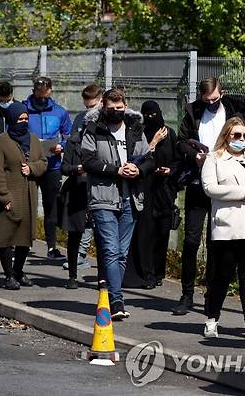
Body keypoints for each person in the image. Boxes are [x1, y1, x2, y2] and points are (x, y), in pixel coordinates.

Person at [173, 77, 245, 316]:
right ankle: (186, 293)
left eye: (215, 99)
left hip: (223, 185)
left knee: (216, 242)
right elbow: (182, 141)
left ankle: (211, 295)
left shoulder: (233, 111)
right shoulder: (194, 112)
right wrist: (193, 155)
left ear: (222, 93)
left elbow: (243, 139)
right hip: (198, 182)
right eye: (207, 100)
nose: (212, 103)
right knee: (191, 241)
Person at [81, 88, 154, 320]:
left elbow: (148, 158)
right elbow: (88, 160)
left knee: (122, 252)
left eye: (119, 108)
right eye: (111, 109)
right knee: (110, 250)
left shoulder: (135, 128)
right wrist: (115, 170)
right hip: (103, 196)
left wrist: (137, 169)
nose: (116, 112)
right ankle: (116, 299)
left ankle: (112, 291)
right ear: (103, 106)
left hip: (131, 197)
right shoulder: (93, 128)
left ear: (126, 105)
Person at [200, 117, 245, 340]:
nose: (241, 140)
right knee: (222, 275)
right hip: (227, 227)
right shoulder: (215, 158)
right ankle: (212, 319)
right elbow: (210, 188)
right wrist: (241, 192)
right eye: (236, 135)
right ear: (226, 136)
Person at [0, 103, 47, 289]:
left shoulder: (33, 139)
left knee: (24, 237)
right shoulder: (1, 141)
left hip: (28, 194)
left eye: (25, 118)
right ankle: (8, 276)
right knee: (6, 237)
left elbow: (43, 162)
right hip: (9, 194)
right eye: (19, 119)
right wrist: (3, 197)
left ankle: (18, 271)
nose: (23, 122)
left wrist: (31, 168)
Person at [124, 100, 181, 289]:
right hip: (145, 190)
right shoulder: (140, 134)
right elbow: (138, 157)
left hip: (164, 191)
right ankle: (146, 272)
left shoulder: (169, 134)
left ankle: (158, 272)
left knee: (162, 233)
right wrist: (153, 142)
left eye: (153, 114)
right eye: (147, 115)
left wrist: (169, 171)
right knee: (146, 232)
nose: (151, 118)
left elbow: (177, 161)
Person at [23, 77, 72, 260]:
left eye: (45, 91)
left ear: (50, 91)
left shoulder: (60, 112)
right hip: (30, 164)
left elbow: (69, 136)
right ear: (34, 90)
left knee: (51, 207)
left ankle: (52, 247)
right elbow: (15, 132)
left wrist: (62, 146)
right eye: (38, 91)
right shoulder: (24, 110)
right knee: (27, 204)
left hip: (52, 165)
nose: (41, 95)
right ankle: (23, 244)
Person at [58, 85, 102, 288]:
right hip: (77, 190)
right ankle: (73, 276)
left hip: (99, 190)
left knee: (103, 237)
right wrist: (78, 168)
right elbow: (65, 166)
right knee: (75, 234)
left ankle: (104, 279)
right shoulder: (76, 139)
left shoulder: (106, 132)